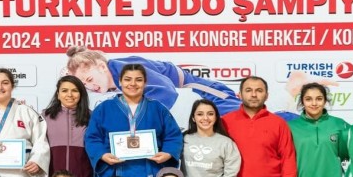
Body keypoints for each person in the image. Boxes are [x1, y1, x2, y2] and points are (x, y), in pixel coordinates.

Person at [84, 64, 183, 177]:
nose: (133, 84)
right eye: (127, 79)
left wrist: (168, 153)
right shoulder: (104, 108)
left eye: (138, 79)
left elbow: (173, 135)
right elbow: (92, 138)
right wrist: (102, 155)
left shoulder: (157, 108)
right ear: (120, 81)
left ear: (145, 82)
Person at [222, 76, 297, 177]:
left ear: (267, 95)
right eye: (248, 90)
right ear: (239, 94)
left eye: (259, 90)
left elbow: (288, 159)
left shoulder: (279, 123)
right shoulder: (225, 122)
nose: (254, 94)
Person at [65, 45, 241, 115]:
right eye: (85, 84)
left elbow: (166, 92)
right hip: (192, 102)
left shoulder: (127, 70)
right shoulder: (112, 81)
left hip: (205, 93)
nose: (90, 86)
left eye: (89, 79)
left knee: (245, 120)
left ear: (102, 67)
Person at [41, 75, 95, 177]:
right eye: (64, 90)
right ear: (58, 94)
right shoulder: (45, 116)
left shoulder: (92, 117)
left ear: (81, 94)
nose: (69, 94)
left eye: (74, 90)